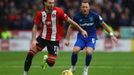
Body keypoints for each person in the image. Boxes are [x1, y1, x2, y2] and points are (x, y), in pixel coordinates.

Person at [23, 0, 88, 75]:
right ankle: (25, 73)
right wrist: (33, 40)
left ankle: (46, 59)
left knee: (51, 63)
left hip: (54, 40)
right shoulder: (40, 14)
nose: (52, 4)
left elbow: (71, 22)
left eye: (53, 3)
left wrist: (82, 30)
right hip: (42, 38)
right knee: (30, 53)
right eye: (50, 3)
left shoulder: (59, 12)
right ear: (45, 3)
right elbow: (35, 27)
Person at [65, 1, 118, 75]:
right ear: (81, 8)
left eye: (86, 7)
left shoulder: (94, 15)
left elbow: (104, 24)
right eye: (83, 7)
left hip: (91, 37)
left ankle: (86, 68)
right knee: (75, 50)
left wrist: (112, 34)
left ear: (89, 8)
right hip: (81, 37)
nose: (85, 9)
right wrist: (67, 39)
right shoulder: (77, 16)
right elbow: (70, 26)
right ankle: (73, 67)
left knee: (89, 52)